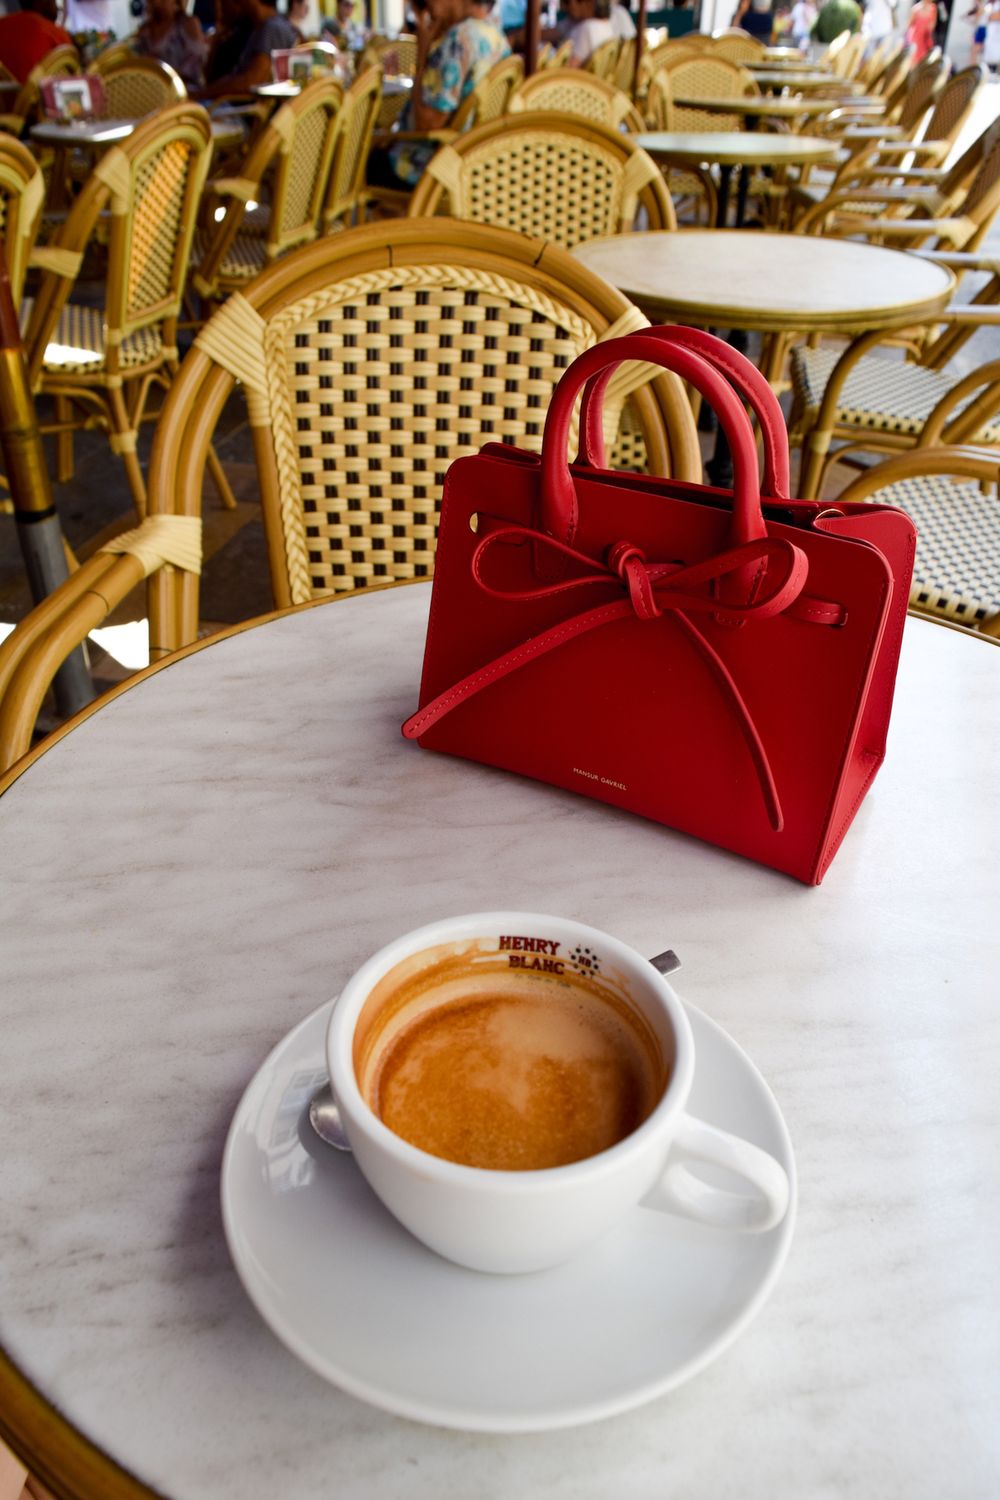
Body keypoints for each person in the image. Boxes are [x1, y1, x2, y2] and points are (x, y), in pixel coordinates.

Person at [366, 0, 509, 188]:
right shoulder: (498, 38)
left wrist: (422, 58)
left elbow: (427, 124)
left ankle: (397, 214)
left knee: (362, 160)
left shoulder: (459, 40)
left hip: (434, 167)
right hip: (476, 161)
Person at [196, 0, 297, 95]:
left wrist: (203, 94)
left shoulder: (272, 28)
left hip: (240, 109)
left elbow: (251, 81)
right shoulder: (260, 27)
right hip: (229, 104)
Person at [135, 0, 209, 86]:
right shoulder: (144, 32)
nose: (157, 2)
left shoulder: (187, 24)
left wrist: (167, 77)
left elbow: (195, 64)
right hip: (152, 88)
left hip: (185, 88)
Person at [0, 0, 72, 83]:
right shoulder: (55, 32)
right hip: (41, 94)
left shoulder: (2, 25)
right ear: (43, 2)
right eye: (54, 1)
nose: (58, 7)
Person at [563, 0, 613, 65]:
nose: (565, 8)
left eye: (567, 2)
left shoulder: (586, 28)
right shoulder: (607, 26)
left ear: (588, 3)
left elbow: (571, 68)